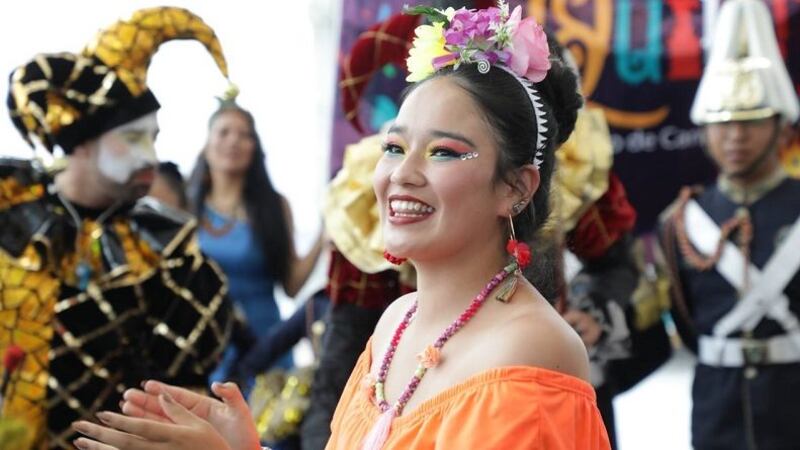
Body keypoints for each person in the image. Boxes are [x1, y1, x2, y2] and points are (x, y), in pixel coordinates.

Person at [70, 4, 611, 449]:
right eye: (394, 146)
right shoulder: (398, 320)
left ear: (516, 187)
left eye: (444, 152)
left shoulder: (532, 350)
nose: (402, 174)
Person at [0, 7, 234, 449]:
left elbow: (180, 400)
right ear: (82, 144)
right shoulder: (10, 217)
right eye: (132, 138)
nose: (150, 156)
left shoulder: (166, 250)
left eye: (154, 136)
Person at [658, 1, 800, 449]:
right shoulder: (680, 220)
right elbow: (685, 320)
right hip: (718, 413)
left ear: (780, 127)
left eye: (751, 121)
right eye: (723, 123)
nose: (735, 136)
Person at [186, 95, 325, 383]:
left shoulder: (274, 207)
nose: (233, 141)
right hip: (202, 347)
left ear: (255, 148)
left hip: (264, 348)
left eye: (245, 135)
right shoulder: (185, 207)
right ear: (206, 146)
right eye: (224, 132)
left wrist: (325, 235)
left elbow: (292, 286)